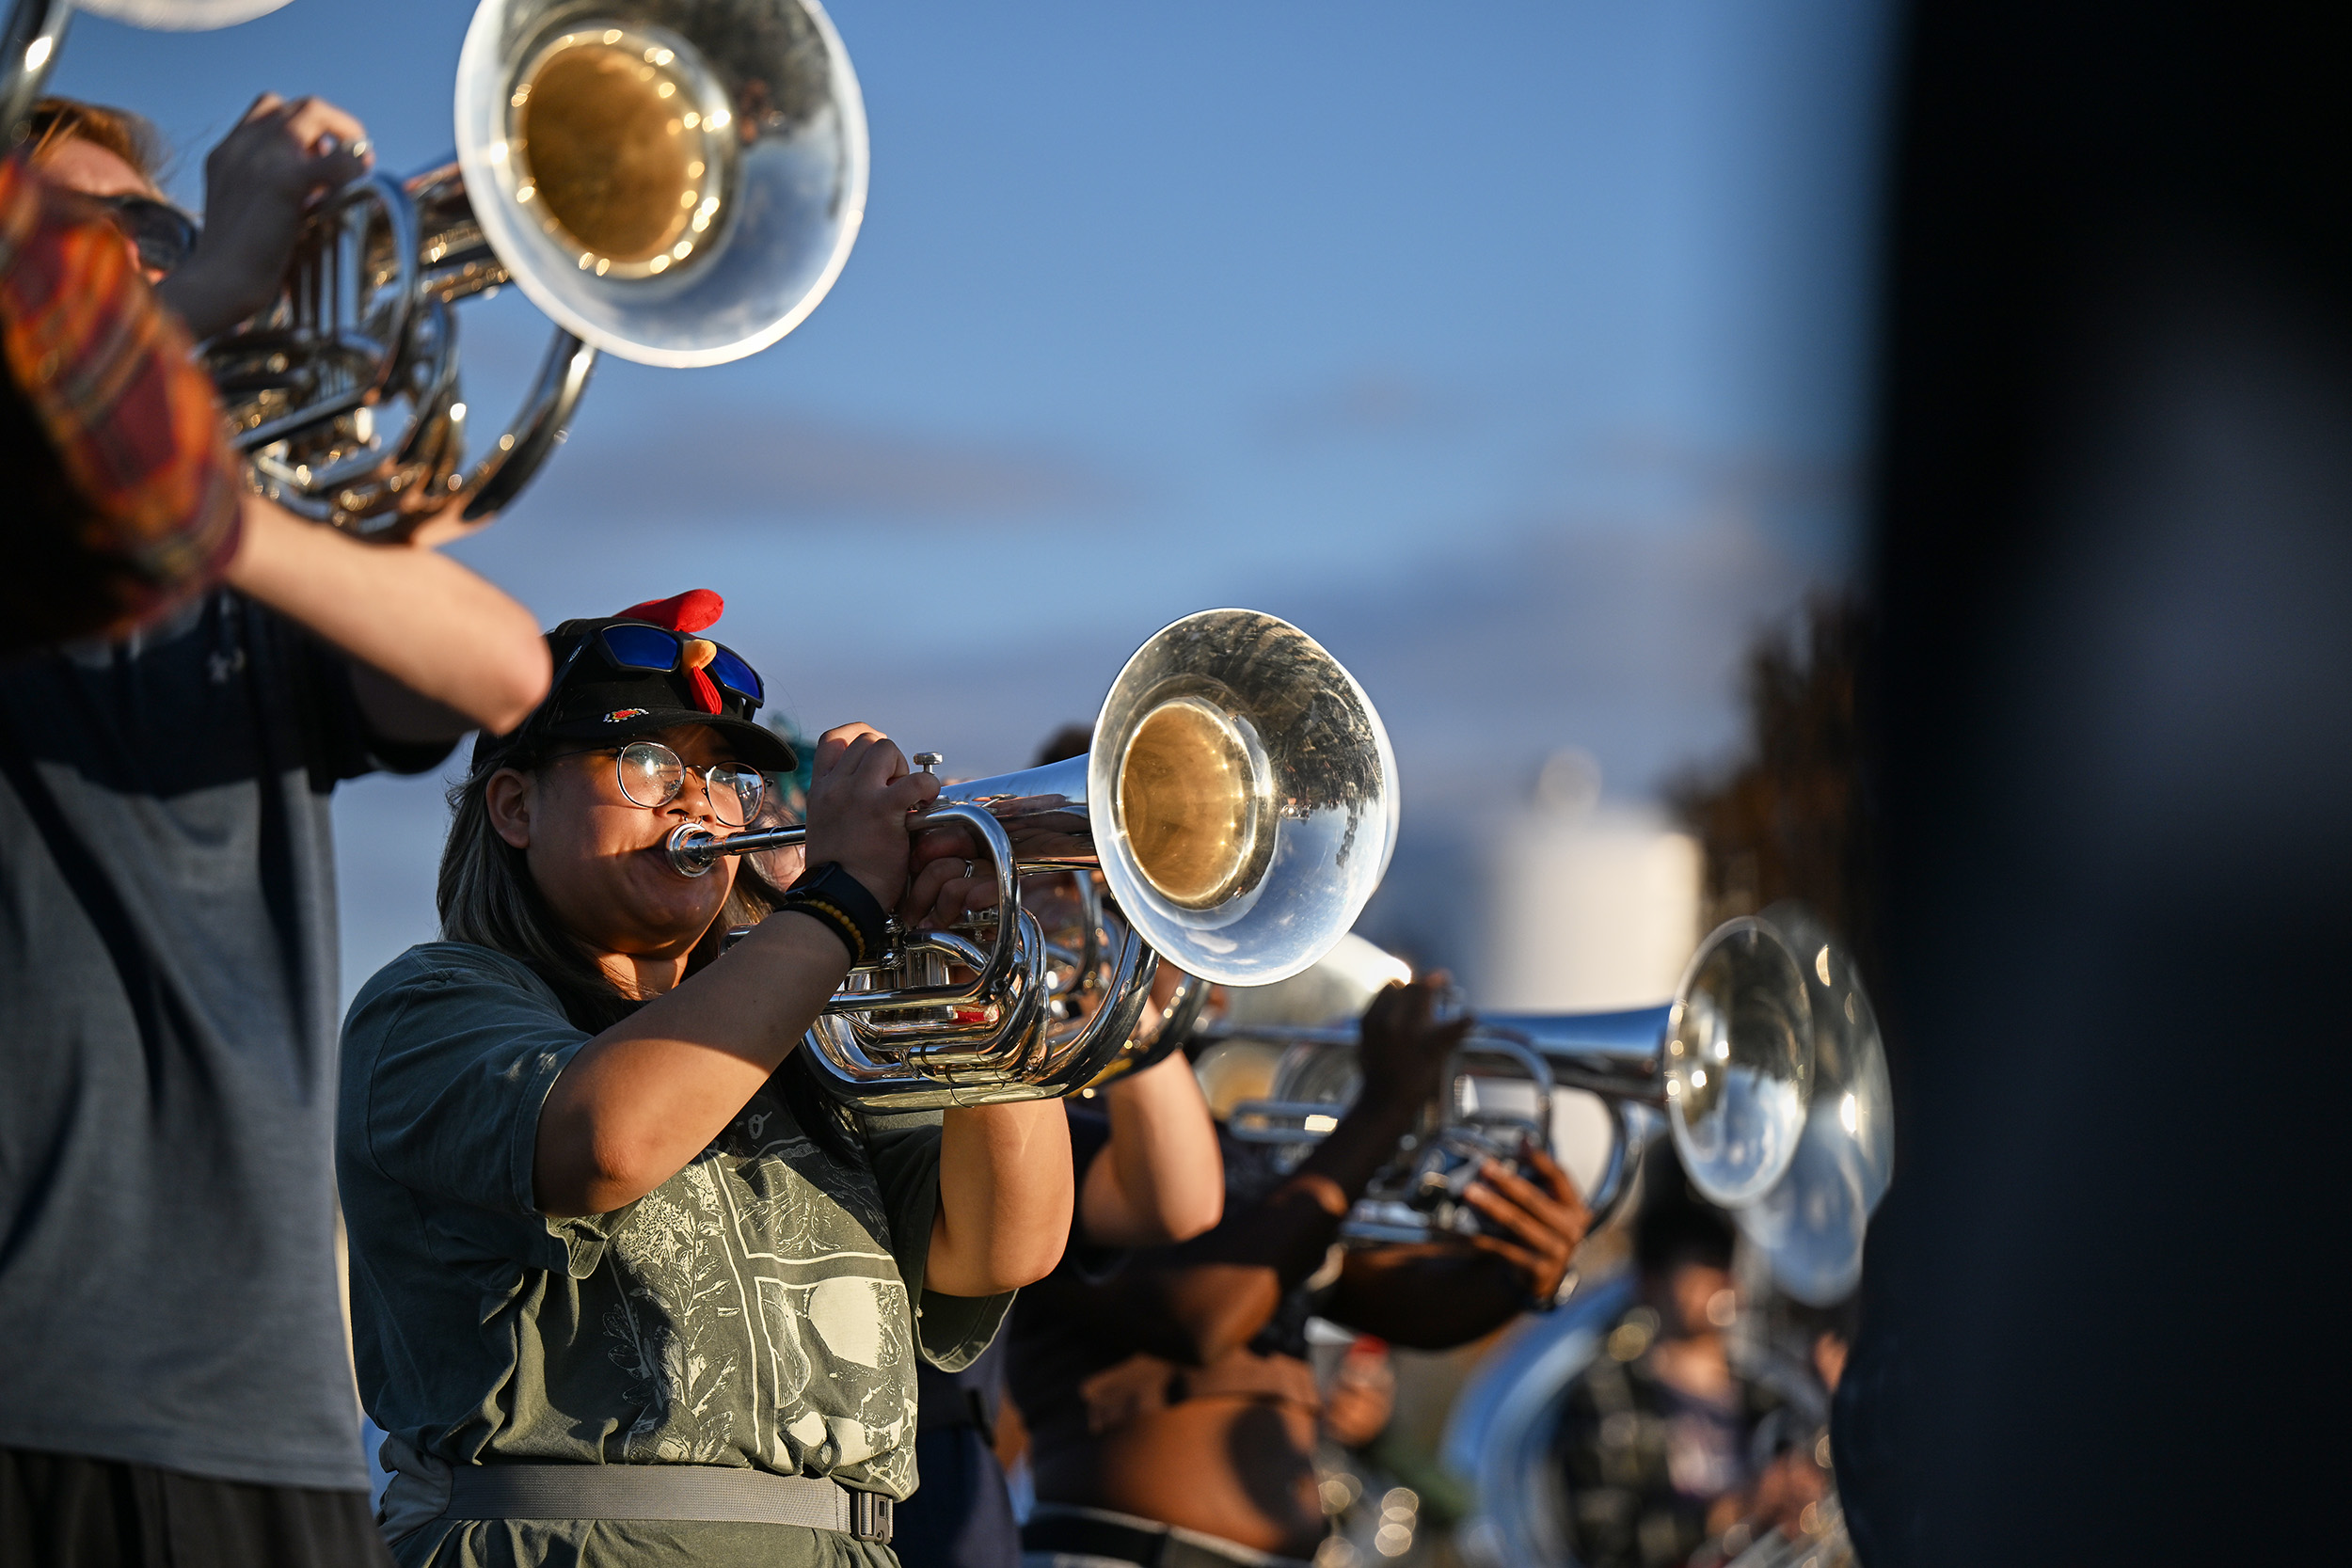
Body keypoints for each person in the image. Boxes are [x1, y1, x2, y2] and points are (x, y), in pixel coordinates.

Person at [0, 88, 551, 1568]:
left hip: (266, 1405)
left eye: (156, 236)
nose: (135, 266)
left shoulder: (240, 568)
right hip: (34, 1372)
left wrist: (229, 496)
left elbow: (496, 666)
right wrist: (215, 287)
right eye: (75, 243)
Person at [339, 590, 1076, 1568]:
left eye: (727, 777)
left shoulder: (820, 1036)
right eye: (647, 762)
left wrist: (970, 971)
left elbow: (1000, 1245)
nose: (698, 801)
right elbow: (607, 1139)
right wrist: (840, 899)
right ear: (515, 806)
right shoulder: (429, 1005)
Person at [1006, 978, 1593, 1568]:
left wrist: (1521, 1273)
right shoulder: (1058, 1121)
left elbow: (1398, 1306)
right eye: (1175, 944)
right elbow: (1202, 1316)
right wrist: (1383, 1108)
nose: (1214, 988)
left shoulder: (1242, 1141)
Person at [894, 724, 1228, 1568]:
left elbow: (1179, 1199)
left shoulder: (1031, 1087)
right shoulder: (857, 1031)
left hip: (942, 1481)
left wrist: (1110, 959)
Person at [1551, 1157, 1801, 1568]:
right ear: (1651, 1282)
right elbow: (1606, 1546)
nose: (1721, 1277)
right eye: (1699, 1261)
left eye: (1724, 1260)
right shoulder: (1604, 1397)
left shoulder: (1773, 1396)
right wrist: (1738, 1509)